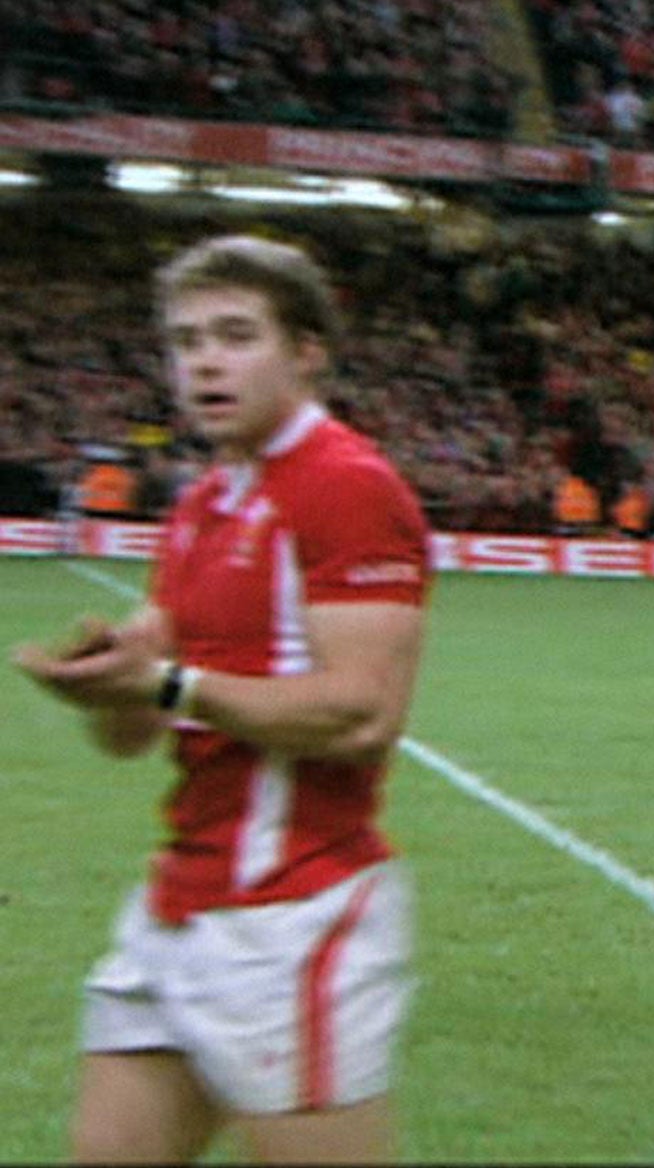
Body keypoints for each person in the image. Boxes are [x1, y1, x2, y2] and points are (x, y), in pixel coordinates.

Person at [12, 235, 432, 1164]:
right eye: (186, 339)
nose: (204, 360)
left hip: (293, 911)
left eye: (237, 335)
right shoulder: (202, 501)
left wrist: (165, 681)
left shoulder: (346, 487)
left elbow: (363, 717)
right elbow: (138, 730)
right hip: (181, 904)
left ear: (306, 351)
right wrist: (104, 684)